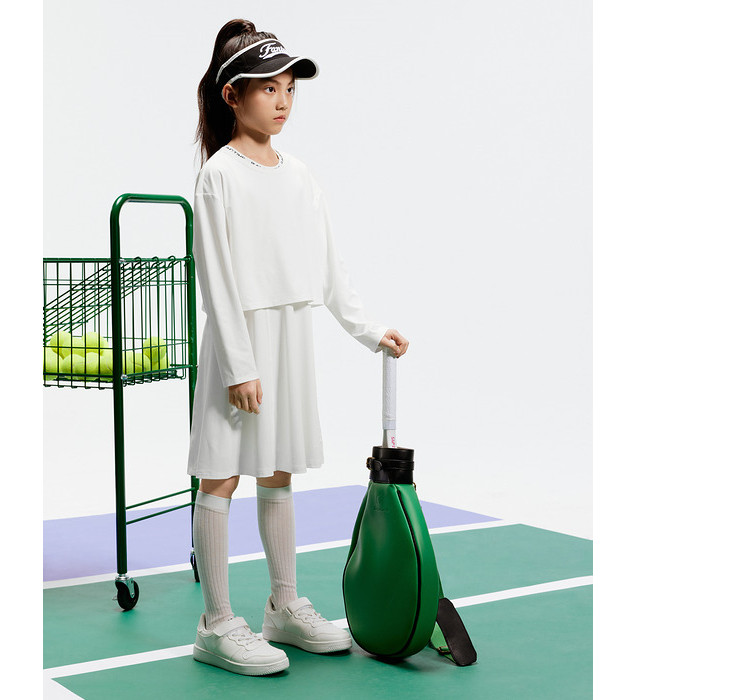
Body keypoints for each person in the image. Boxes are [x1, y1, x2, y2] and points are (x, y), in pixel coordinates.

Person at [188, 19, 409, 676]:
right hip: (241, 341)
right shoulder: (219, 175)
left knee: (279, 467)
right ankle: (216, 623)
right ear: (233, 96)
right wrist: (238, 364)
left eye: (289, 89)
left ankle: (282, 606)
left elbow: (328, 266)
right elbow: (215, 276)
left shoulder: (302, 175)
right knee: (222, 471)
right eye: (269, 89)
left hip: (290, 334)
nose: (282, 101)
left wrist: (368, 330)